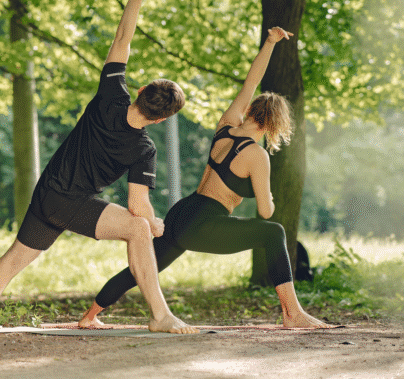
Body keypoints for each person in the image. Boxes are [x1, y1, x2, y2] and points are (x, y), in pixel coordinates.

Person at [0, 0, 197, 334]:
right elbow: (138, 206)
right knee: (139, 228)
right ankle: (160, 315)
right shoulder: (143, 149)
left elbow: (122, 39)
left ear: (140, 91)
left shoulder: (110, 94)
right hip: (70, 203)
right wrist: (154, 223)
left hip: (47, 192)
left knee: (16, 257)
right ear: (160, 120)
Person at [79, 26, 330, 329]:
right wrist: (269, 195)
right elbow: (265, 212)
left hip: (183, 212)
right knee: (273, 232)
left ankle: (90, 316)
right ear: (275, 125)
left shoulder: (227, 125)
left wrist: (270, 42)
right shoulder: (257, 155)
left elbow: (251, 82)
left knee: (144, 268)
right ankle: (292, 313)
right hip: (205, 222)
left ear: (251, 110)